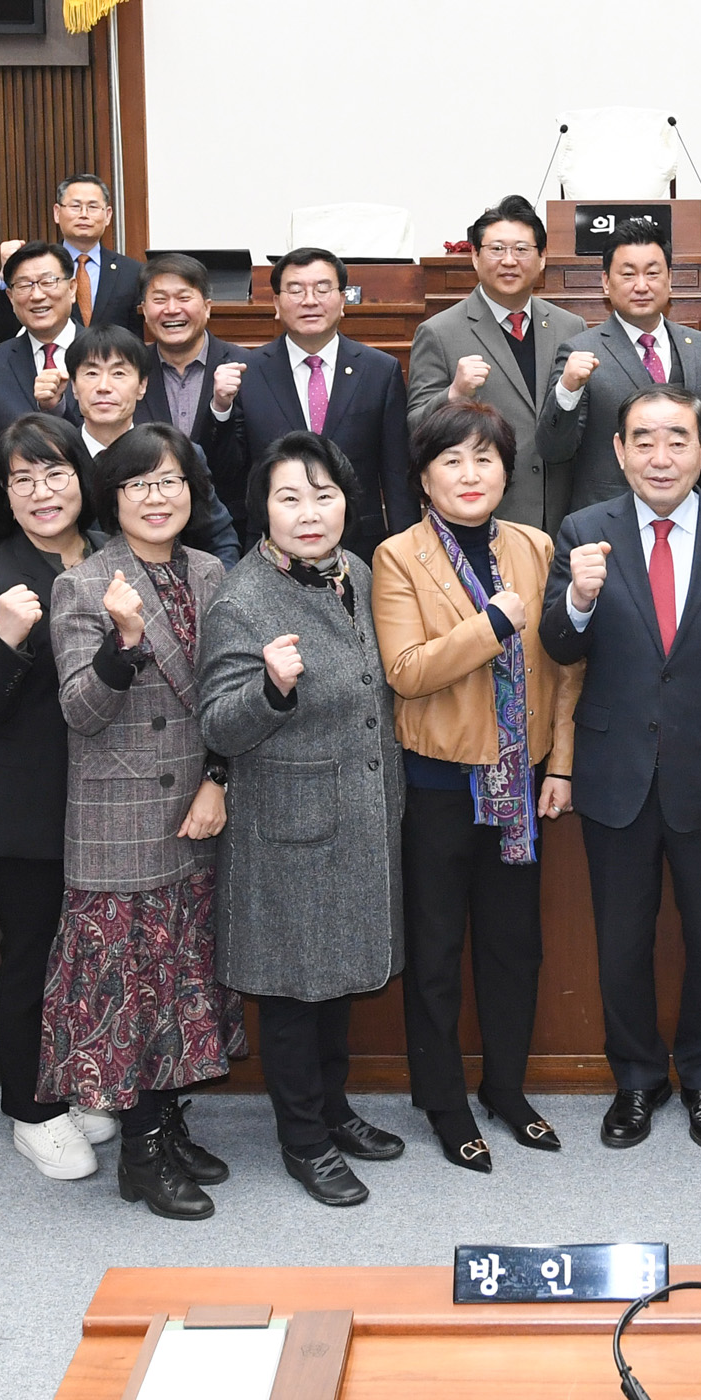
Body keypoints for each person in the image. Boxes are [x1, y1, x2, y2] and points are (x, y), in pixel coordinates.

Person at [540, 385, 701, 1151]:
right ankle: (638, 1080)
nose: (660, 455)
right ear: (618, 452)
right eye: (643, 440)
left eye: (677, 439)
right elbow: (558, 645)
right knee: (622, 940)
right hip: (617, 771)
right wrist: (577, 601)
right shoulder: (584, 530)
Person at [197, 432, 410, 1207]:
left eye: (323, 495)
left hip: (357, 816)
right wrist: (272, 690)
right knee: (292, 993)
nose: (309, 512)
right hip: (286, 826)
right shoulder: (242, 597)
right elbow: (217, 726)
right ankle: (304, 1140)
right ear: (263, 510)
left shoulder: (354, 571)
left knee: (340, 982)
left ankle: (334, 1110)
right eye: (290, 498)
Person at [372, 400, 580, 1171]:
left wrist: (559, 764)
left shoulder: (534, 544)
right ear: (424, 477)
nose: (470, 474)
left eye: (484, 458)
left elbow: (564, 667)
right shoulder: (398, 556)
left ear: (506, 469)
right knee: (434, 950)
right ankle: (444, 1100)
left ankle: (506, 1087)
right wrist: (492, 622)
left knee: (513, 948)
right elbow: (408, 671)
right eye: (452, 460)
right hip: (437, 783)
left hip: (519, 784)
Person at [45, 423, 237, 1219]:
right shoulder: (84, 585)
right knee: (133, 988)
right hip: (120, 817)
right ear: (112, 498)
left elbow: (231, 697)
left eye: (171, 481)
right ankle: (140, 1154)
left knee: (185, 979)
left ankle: (169, 1125)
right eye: (137, 485)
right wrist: (122, 646)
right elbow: (78, 711)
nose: (157, 498)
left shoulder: (214, 572)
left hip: (200, 806)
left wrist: (219, 778)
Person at [0, 414, 107, 1183]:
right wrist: (9, 639)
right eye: (23, 479)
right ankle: (30, 1109)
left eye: (55, 473)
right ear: (3, 495)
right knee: (33, 957)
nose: (43, 492)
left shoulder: (114, 558)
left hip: (111, 802)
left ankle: (78, 1083)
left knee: (91, 955)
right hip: (29, 805)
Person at [408, 196, 581, 532]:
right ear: (474, 256)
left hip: (560, 515)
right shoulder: (439, 332)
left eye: (521, 249)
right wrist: (454, 394)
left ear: (542, 258)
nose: (509, 261)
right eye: (496, 249)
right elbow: (415, 427)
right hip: (482, 518)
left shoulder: (569, 327)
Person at [236, 248, 416, 558]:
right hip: (273, 547)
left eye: (322, 289)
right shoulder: (248, 372)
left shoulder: (379, 370)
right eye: (295, 289)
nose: (310, 300)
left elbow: (397, 473)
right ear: (276, 303)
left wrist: (407, 550)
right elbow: (235, 470)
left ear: (343, 300)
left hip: (360, 544)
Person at [539, 220, 701, 516]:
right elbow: (554, 450)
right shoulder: (579, 350)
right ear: (605, 281)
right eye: (628, 274)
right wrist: (567, 390)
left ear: (669, 279)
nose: (641, 285)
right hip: (609, 518)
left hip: (690, 516)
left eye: (652, 273)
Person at [79, 322, 238, 563]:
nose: (104, 387)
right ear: (73, 386)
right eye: (91, 373)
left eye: (119, 373)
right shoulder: (59, 460)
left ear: (142, 386)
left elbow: (219, 539)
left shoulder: (181, 453)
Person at [133, 256, 250, 501]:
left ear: (207, 307)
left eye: (184, 298)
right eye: (159, 299)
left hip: (225, 519)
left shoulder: (245, 367)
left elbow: (244, 460)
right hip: (149, 512)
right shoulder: (131, 370)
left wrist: (221, 409)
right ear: (144, 310)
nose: (172, 309)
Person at [0, 174, 143, 342]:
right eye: (75, 206)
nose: (84, 214)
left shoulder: (132, 272)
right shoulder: (34, 268)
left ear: (108, 215)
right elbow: (0, 333)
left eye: (93, 207)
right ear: (57, 213)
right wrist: (5, 276)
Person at [0, 242, 82, 433]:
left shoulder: (109, 354)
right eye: (24, 285)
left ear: (71, 289)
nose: (37, 295)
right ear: (11, 298)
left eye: (48, 282)